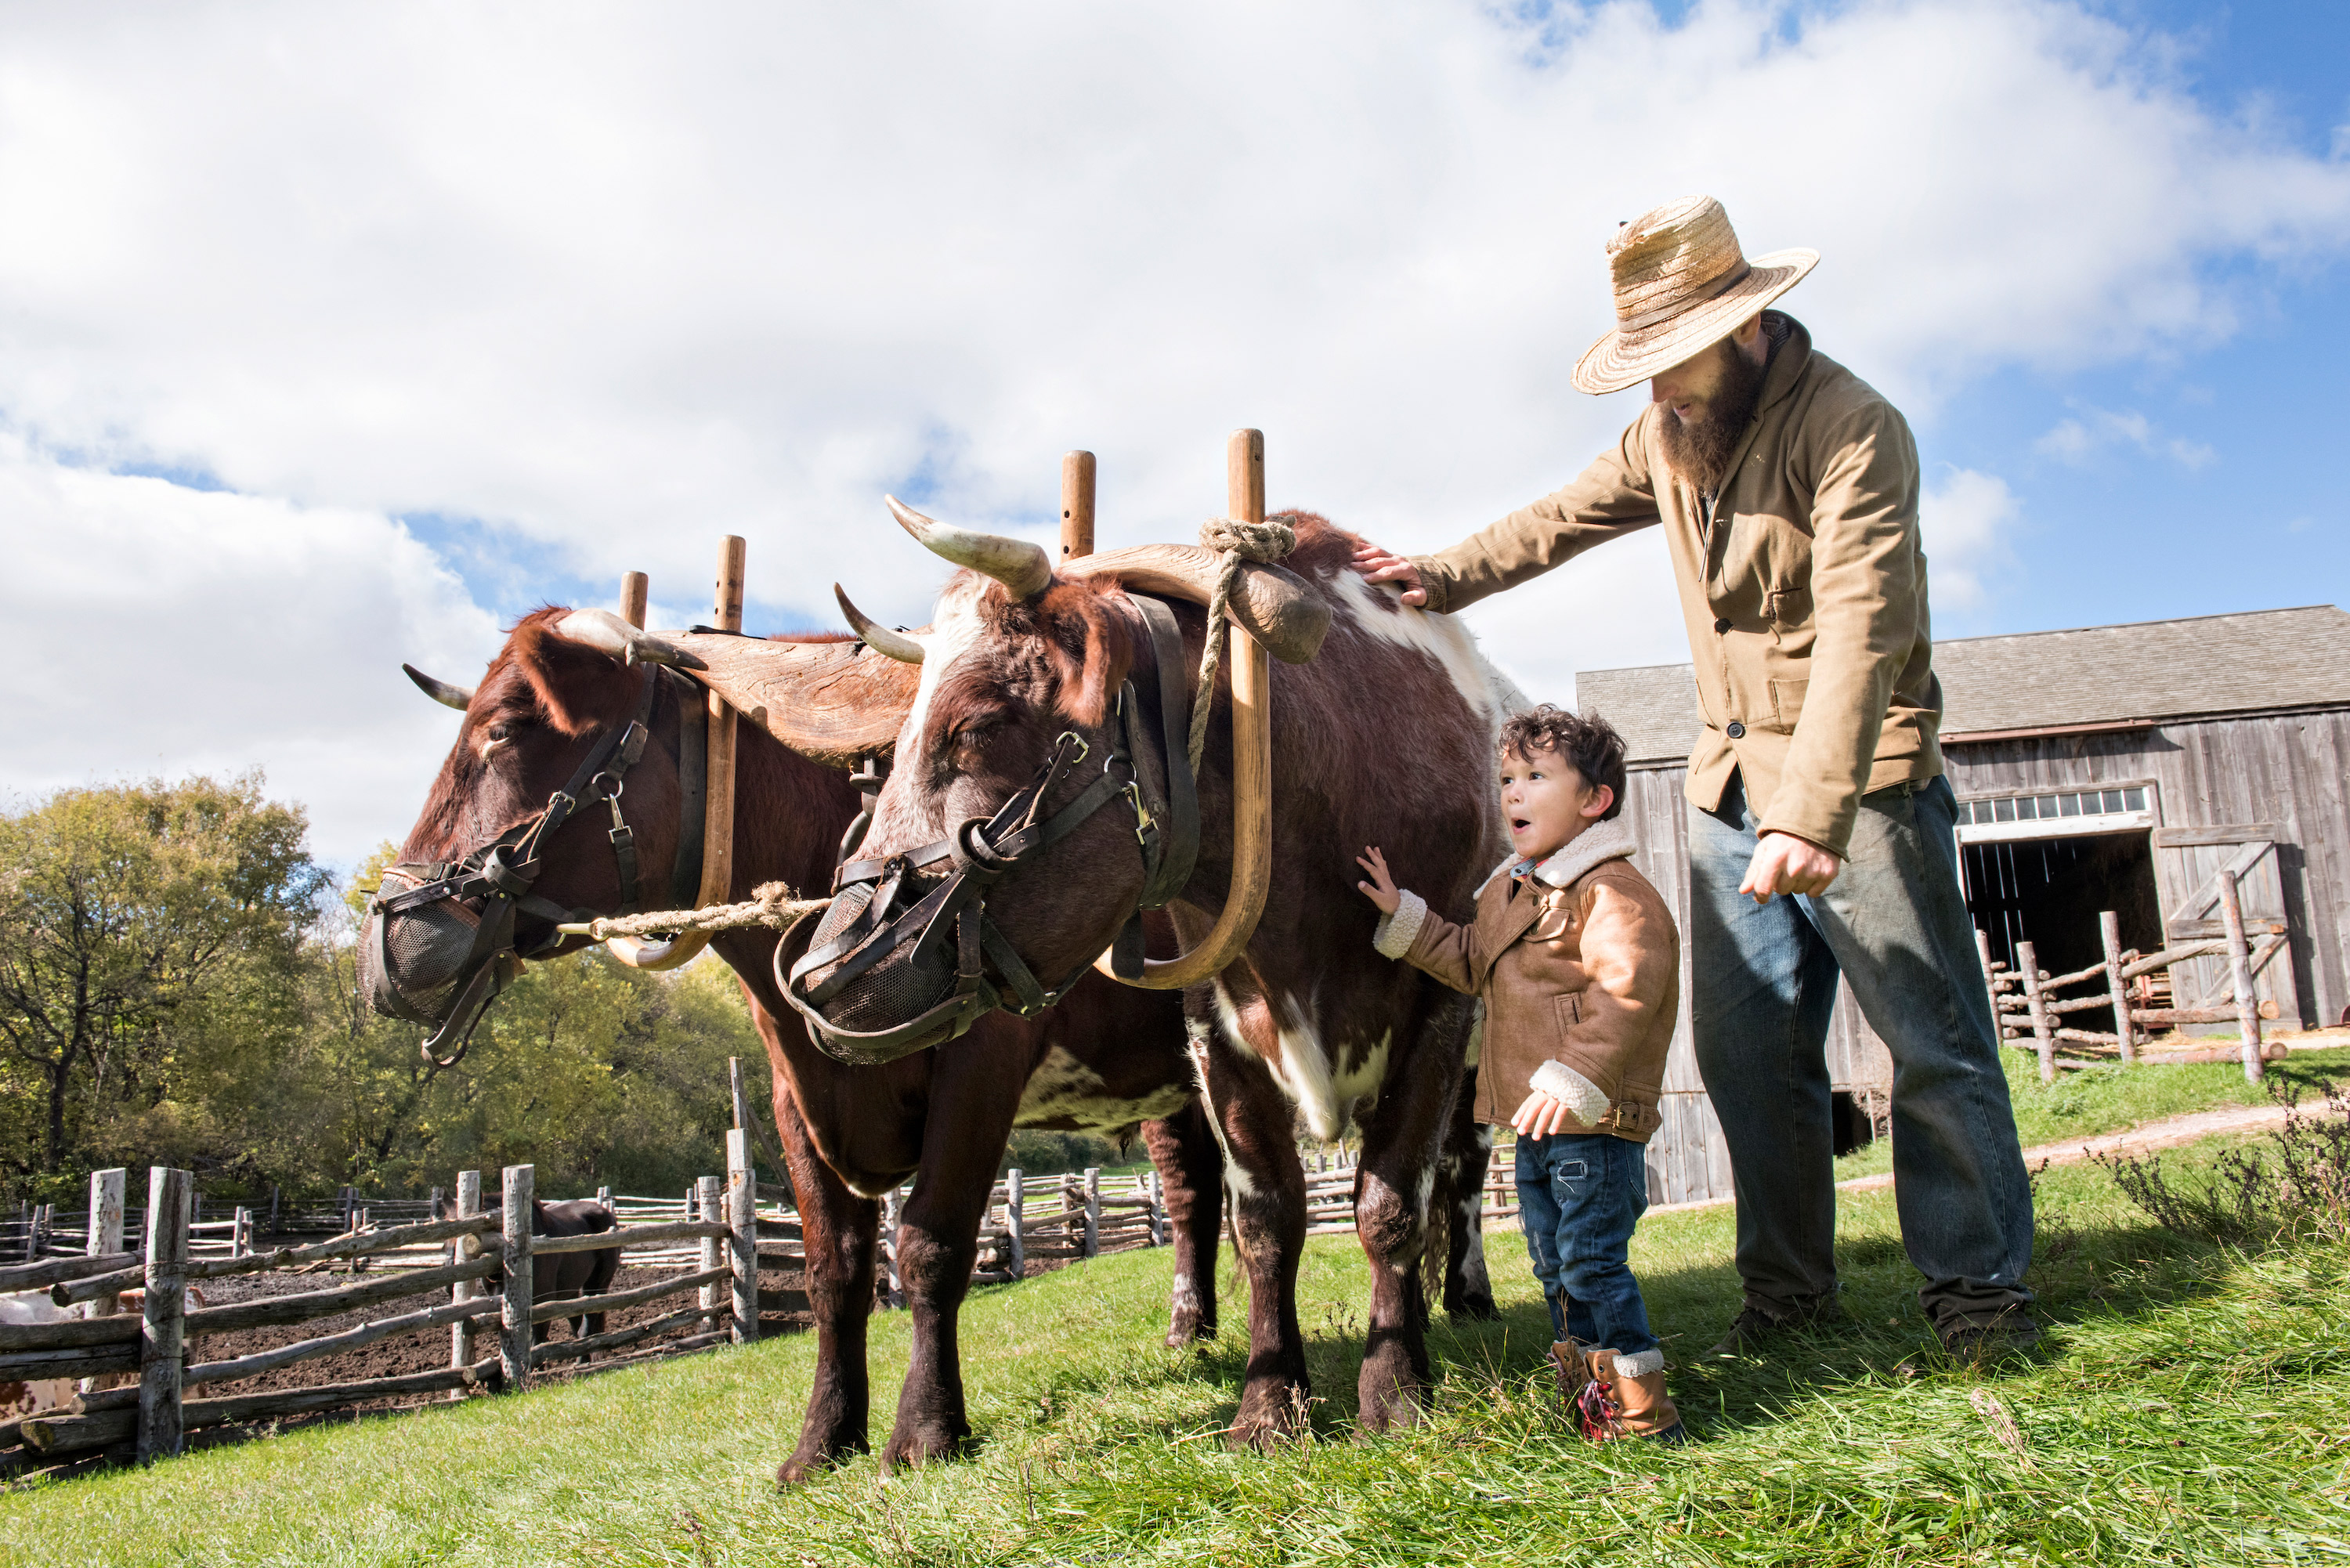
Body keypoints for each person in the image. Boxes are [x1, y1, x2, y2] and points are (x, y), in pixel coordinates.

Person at [1350, 194, 2037, 1359]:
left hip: (1859, 778)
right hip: (1730, 788)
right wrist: (1439, 576)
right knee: (1748, 1051)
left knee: (1931, 1044)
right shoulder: (1667, 435)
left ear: (1747, 324)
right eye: (1644, 369)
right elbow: (1557, 519)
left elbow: (1865, 627)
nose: (1657, 389)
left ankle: (1977, 1296)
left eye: (1673, 362)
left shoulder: (1856, 431)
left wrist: (1815, 810)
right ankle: (1787, 1296)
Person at [1355, 706, 1683, 1441]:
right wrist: (1401, 914)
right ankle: (1591, 1404)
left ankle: (1644, 1415)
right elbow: (1473, 960)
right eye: (1506, 778)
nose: (1513, 793)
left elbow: (1627, 993)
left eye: (1537, 777)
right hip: (1539, 1121)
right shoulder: (1518, 890)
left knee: (1592, 1263)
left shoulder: (1611, 892)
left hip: (1591, 1120)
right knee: (1553, 1266)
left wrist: (1571, 1076)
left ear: (1594, 801)